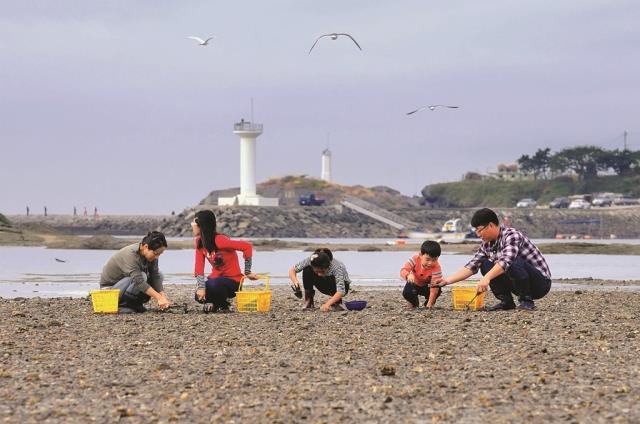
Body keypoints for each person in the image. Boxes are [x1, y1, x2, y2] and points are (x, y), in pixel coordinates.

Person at [438, 208, 551, 311]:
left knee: (511, 261)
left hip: (540, 284)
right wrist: (446, 281)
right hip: (518, 283)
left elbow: (507, 261)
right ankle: (506, 302)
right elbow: (471, 266)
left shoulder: (512, 235)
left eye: (479, 230)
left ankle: (526, 301)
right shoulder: (486, 244)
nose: (477, 234)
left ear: (491, 225)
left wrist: (486, 278)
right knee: (485, 264)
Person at [192, 210, 257, 313]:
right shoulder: (199, 243)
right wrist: (201, 287)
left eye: (194, 223)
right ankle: (217, 304)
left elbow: (247, 246)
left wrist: (248, 272)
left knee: (214, 284)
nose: (192, 225)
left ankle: (221, 304)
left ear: (201, 225)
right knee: (198, 295)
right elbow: (199, 266)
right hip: (215, 279)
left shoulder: (220, 240)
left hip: (233, 282)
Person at [99, 231, 171, 313]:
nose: (157, 257)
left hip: (126, 286)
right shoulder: (130, 254)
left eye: (159, 254)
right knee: (142, 276)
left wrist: (163, 296)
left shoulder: (151, 257)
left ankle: (135, 304)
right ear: (145, 247)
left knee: (160, 275)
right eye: (155, 253)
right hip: (108, 292)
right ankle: (124, 305)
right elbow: (139, 281)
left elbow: (155, 275)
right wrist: (158, 298)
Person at [400, 240, 443, 309]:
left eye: (434, 260)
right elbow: (403, 270)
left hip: (427, 287)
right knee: (407, 293)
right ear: (421, 255)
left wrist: (429, 304)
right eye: (427, 259)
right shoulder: (415, 259)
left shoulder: (437, 267)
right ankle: (414, 303)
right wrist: (408, 275)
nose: (430, 263)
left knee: (437, 288)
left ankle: (427, 304)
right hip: (414, 284)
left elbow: (434, 287)